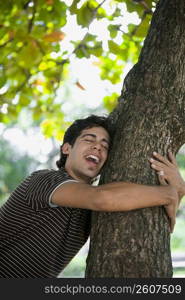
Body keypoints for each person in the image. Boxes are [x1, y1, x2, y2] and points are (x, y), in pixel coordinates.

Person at [0, 115, 184, 278]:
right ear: (66, 149)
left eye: (105, 146)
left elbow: (159, 222)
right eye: (89, 140)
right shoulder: (45, 180)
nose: (98, 147)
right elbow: (101, 198)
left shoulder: (89, 206)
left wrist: (179, 189)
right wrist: (168, 193)